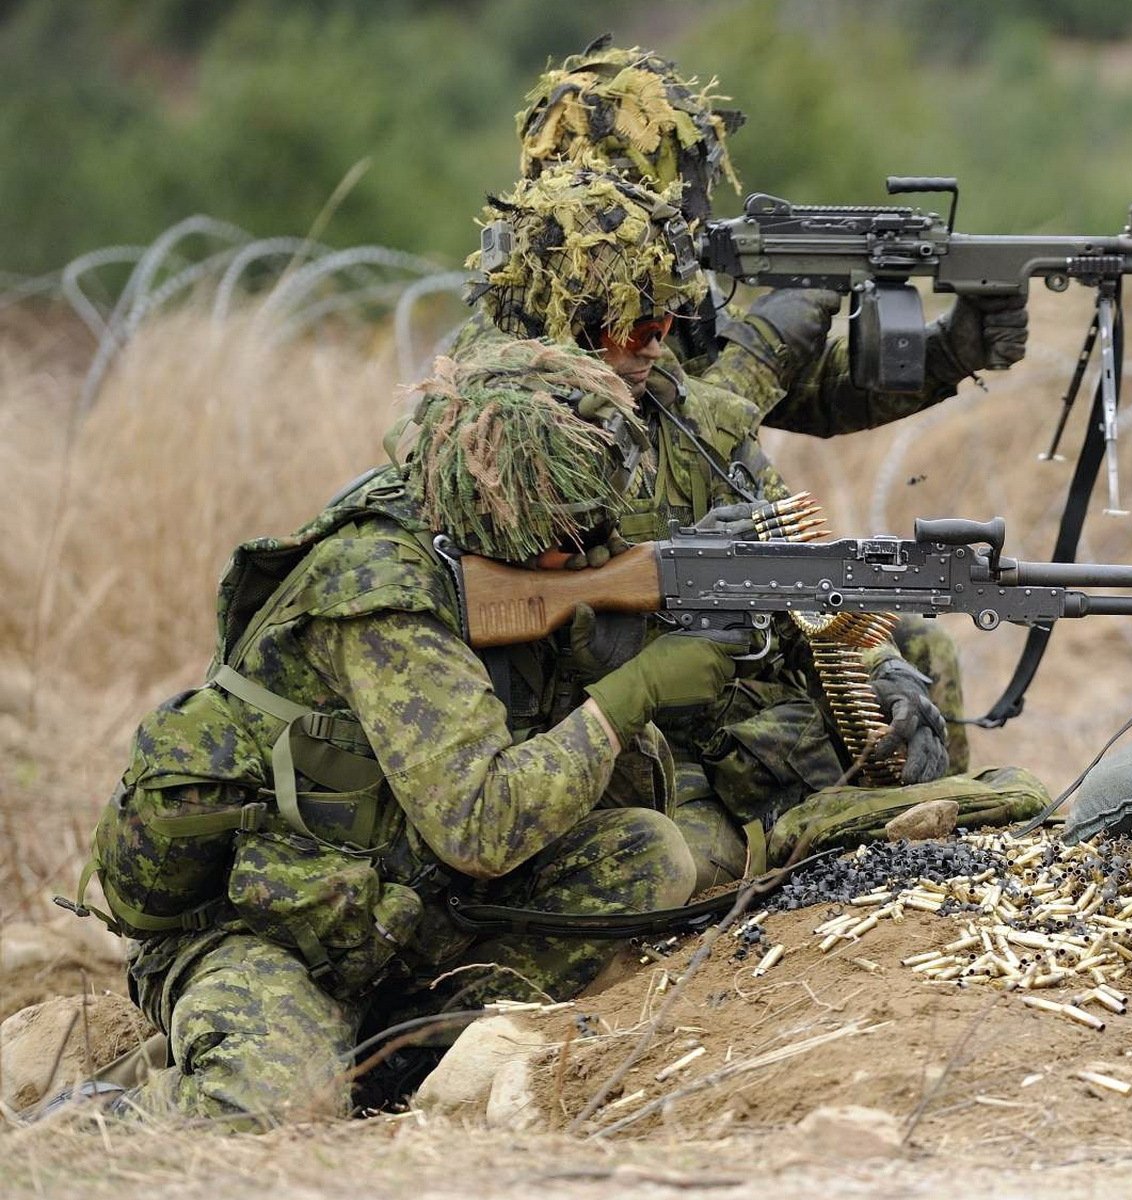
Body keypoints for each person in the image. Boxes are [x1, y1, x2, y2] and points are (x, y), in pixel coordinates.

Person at [79, 337, 739, 1126]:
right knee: (260, 1117)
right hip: (270, 922)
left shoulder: (477, 532)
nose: (587, 545)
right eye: (572, 528)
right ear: (516, 509)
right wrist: (633, 693)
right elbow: (481, 825)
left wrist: (588, 661)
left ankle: (394, 1057)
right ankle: (107, 1112)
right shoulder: (382, 594)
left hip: (404, 906)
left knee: (641, 859)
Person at [459, 166, 983, 889]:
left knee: (954, 766)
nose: (653, 345)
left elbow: (802, 576)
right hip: (612, 758)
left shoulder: (693, 423)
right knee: (701, 869)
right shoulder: (497, 457)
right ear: (560, 328)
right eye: (631, 327)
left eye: (664, 323)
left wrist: (878, 672)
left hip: (733, 729)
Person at [505, 35, 1032, 436]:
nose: (687, 211)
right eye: (660, 190)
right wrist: (763, 347)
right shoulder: (520, 338)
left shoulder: (667, 306)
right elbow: (666, 449)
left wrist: (947, 351)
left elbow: (807, 400)